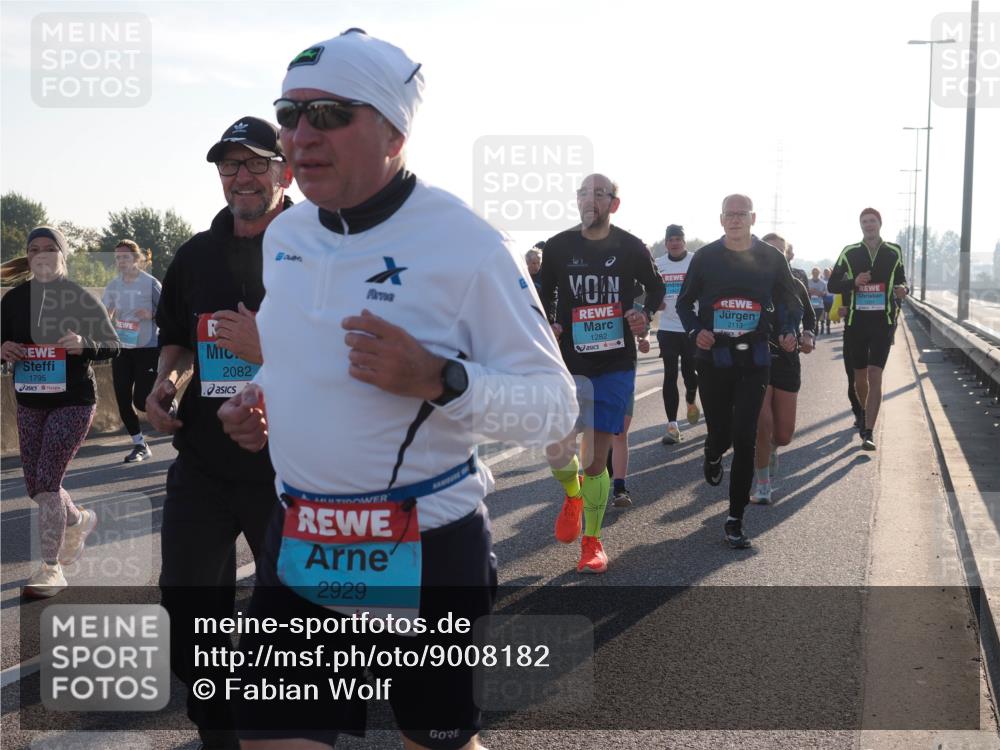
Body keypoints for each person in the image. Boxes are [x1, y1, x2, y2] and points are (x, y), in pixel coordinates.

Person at [216, 29, 576, 750]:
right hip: (304, 538)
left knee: (435, 743)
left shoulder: (468, 243)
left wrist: (440, 379)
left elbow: (555, 406)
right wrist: (259, 397)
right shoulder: (286, 238)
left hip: (423, 545)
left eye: (329, 115)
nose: (299, 135)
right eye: (290, 113)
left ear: (394, 128)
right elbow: (298, 352)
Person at [145, 116, 293, 750]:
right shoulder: (195, 255)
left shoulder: (314, 247)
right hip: (203, 465)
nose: (242, 177)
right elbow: (178, 339)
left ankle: (282, 726)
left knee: (292, 616)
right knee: (185, 609)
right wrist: (164, 386)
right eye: (230, 165)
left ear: (285, 170)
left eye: (256, 162)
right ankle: (220, 726)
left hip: (290, 468)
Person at [540, 174, 665, 572]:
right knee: (557, 449)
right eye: (583, 193)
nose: (590, 199)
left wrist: (642, 313)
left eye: (599, 193)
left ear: (614, 203)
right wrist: (550, 324)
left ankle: (592, 543)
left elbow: (657, 288)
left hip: (614, 362)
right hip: (568, 363)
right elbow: (541, 296)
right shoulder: (558, 247)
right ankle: (573, 495)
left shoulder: (630, 246)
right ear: (576, 201)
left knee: (596, 460)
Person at [676, 195, 801, 549]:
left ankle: (735, 518)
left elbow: (791, 300)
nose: (735, 220)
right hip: (713, 357)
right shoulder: (706, 257)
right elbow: (685, 302)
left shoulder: (771, 257)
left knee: (745, 435)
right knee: (722, 434)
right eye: (729, 215)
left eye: (741, 215)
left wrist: (789, 329)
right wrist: (693, 330)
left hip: (755, 358)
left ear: (752, 218)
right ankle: (713, 452)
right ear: (720, 220)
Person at [1, 226, 119, 598]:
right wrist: (3, 349)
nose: (42, 255)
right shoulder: (15, 299)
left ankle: (51, 569)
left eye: (49, 249)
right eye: (34, 249)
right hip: (31, 399)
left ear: (62, 254)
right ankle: (77, 518)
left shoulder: (79, 297)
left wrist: (85, 345)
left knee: (49, 484)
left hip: (74, 400)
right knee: (36, 486)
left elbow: (113, 345)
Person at [827, 207, 908, 450]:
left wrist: (904, 289)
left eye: (872, 221)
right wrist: (854, 282)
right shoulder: (849, 252)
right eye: (864, 222)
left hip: (883, 322)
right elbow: (832, 285)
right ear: (860, 225)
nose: (868, 225)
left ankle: (869, 431)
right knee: (859, 375)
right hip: (856, 322)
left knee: (875, 373)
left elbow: (902, 278)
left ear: (880, 223)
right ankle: (862, 413)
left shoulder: (893, 251)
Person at [751, 233, 816, 504]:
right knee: (762, 426)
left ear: (788, 257)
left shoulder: (796, 286)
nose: (775, 256)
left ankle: (773, 448)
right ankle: (762, 483)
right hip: (757, 361)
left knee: (784, 434)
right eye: (769, 251)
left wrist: (808, 337)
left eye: (780, 252)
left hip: (787, 363)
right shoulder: (749, 283)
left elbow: (810, 319)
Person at [101, 239, 161, 463]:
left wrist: (152, 314)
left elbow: (169, 312)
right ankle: (140, 444)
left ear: (136, 259)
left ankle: (167, 404)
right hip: (123, 347)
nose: (120, 261)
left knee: (141, 400)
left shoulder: (151, 283)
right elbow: (105, 312)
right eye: (117, 258)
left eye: (125, 257)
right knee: (122, 397)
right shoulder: (114, 285)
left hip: (147, 347)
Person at [654, 223, 700, 444]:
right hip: (668, 328)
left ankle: (691, 400)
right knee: (670, 374)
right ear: (666, 243)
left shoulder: (695, 260)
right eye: (671, 239)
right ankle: (672, 425)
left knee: (691, 375)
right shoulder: (658, 264)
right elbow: (651, 290)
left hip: (691, 326)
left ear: (684, 241)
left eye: (678, 239)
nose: (674, 243)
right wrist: (656, 302)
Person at [607, 328, 651, 507]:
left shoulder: (624, 300)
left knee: (619, 432)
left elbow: (643, 323)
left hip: (622, 369)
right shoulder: (580, 300)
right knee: (597, 432)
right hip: (590, 370)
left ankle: (619, 488)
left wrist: (644, 338)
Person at [807, 266, 828, 337]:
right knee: (813, 321)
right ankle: (813, 338)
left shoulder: (823, 283)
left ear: (819, 273)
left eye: (816, 272)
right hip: (810, 305)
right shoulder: (808, 281)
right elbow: (804, 292)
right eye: (814, 272)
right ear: (812, 273)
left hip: (819, 305)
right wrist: (810, 291)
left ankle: (814, 337)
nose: (815, 273)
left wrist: (819, 293)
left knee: (815, 321)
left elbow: (825, 293)